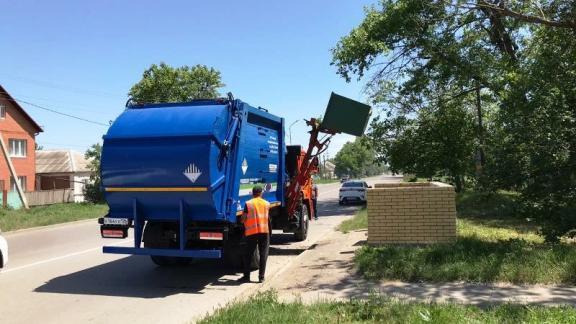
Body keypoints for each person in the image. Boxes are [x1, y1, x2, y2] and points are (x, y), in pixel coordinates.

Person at [240, 185, 270, 283]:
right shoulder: (267, 204)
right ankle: (261, 277)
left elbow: (243, 218)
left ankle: (246, 277)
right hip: (264, 232)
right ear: (261, 193)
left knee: (248, 254)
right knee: (263, 254)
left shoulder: (248, 204)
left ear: (252, 193)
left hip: (252, 232)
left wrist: (242, 222)